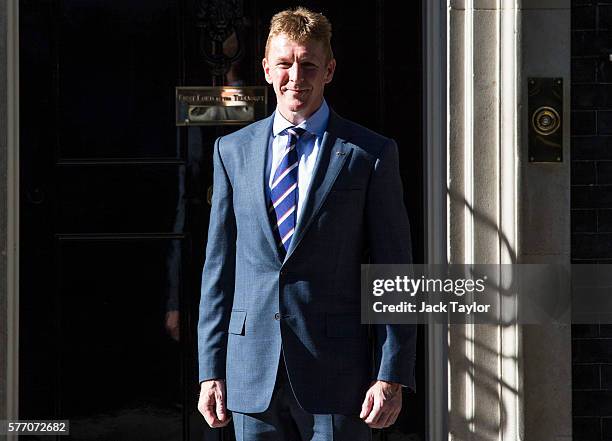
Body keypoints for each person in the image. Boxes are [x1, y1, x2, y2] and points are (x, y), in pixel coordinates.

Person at [197, 7, 416, 441]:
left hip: (337, 375)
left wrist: (391, 373)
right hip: (250, 371)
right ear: (266, 69)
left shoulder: (368, 154)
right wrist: (210, 368)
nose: (296, 76)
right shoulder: (231, 151)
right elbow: (217, 270)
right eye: (284, 63)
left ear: (329, 69)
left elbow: (395, 272)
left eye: (308, 64)